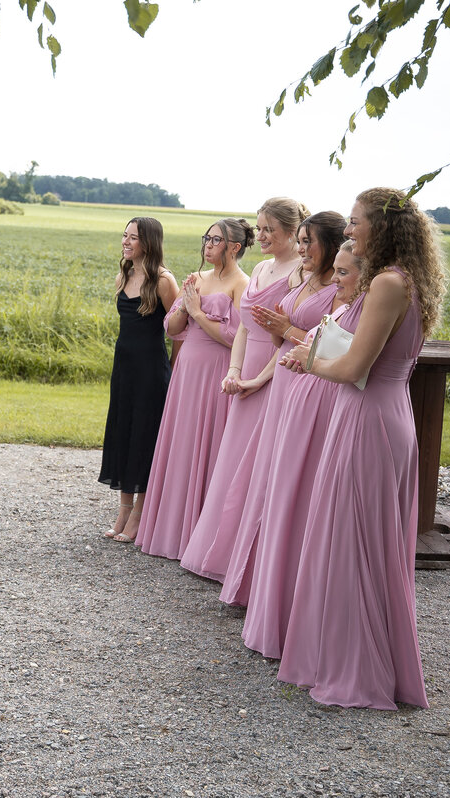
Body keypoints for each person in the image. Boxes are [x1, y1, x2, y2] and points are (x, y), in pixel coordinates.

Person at [277, 188, 448, 709]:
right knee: (357, 536)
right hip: (379, 412)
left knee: (354, 540)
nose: (349, 231)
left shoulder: (390, 283)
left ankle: (358, 669)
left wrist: (310, 363)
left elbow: (354, 369)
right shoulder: (399, 280)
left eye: (355, 222)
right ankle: (345, 653)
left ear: (383, 228)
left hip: (370, 415)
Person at [228, 232, 354, 648]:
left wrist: (289, 331)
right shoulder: (305, 281)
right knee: (269, 481)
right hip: (287, 376)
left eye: (309, 240)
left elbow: (335, 348)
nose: (303, 248)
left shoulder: (342, 289)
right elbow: (277, 334)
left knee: (292, 488)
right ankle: (258, 586)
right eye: (300, 240)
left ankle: (284, 595)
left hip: (313, 385)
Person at [180, 198, 307, 580]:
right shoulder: (263, 268)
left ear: (291, 231)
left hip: (274, 373)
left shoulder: (301, 272)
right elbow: (246, 327)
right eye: (260, 227)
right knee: (231, 463)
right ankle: (215, 551)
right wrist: (234, 370)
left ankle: (247, 566)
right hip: (244, 371)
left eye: (269, 229)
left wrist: (259, 378)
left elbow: (288, 338)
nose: (261, 235)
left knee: (258, 468)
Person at [133, 219, 253, 557]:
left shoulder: (241, 284)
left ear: (235, 247)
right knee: (182, 444)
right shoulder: (196, 279)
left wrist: (199, 313)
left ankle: (199, 538)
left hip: (216, 373)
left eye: (216, 239)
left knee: (208, 446)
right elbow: (171, 328)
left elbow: (236, 338)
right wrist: (184, 307)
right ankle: (168, 531)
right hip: (187, 373)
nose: (208, 244)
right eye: (207, 238)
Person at [99, 218, 179, 542]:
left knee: (144, 436)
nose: (126, 242)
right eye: (124, 235)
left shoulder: (163, 280)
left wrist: (173, 370)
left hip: (150, 369)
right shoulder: (125, 274)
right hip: (124, 366)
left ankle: (139, 514)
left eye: (133, 238)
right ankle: (122, 509)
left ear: (149, 242)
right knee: (123, 431)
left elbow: (179, 330)